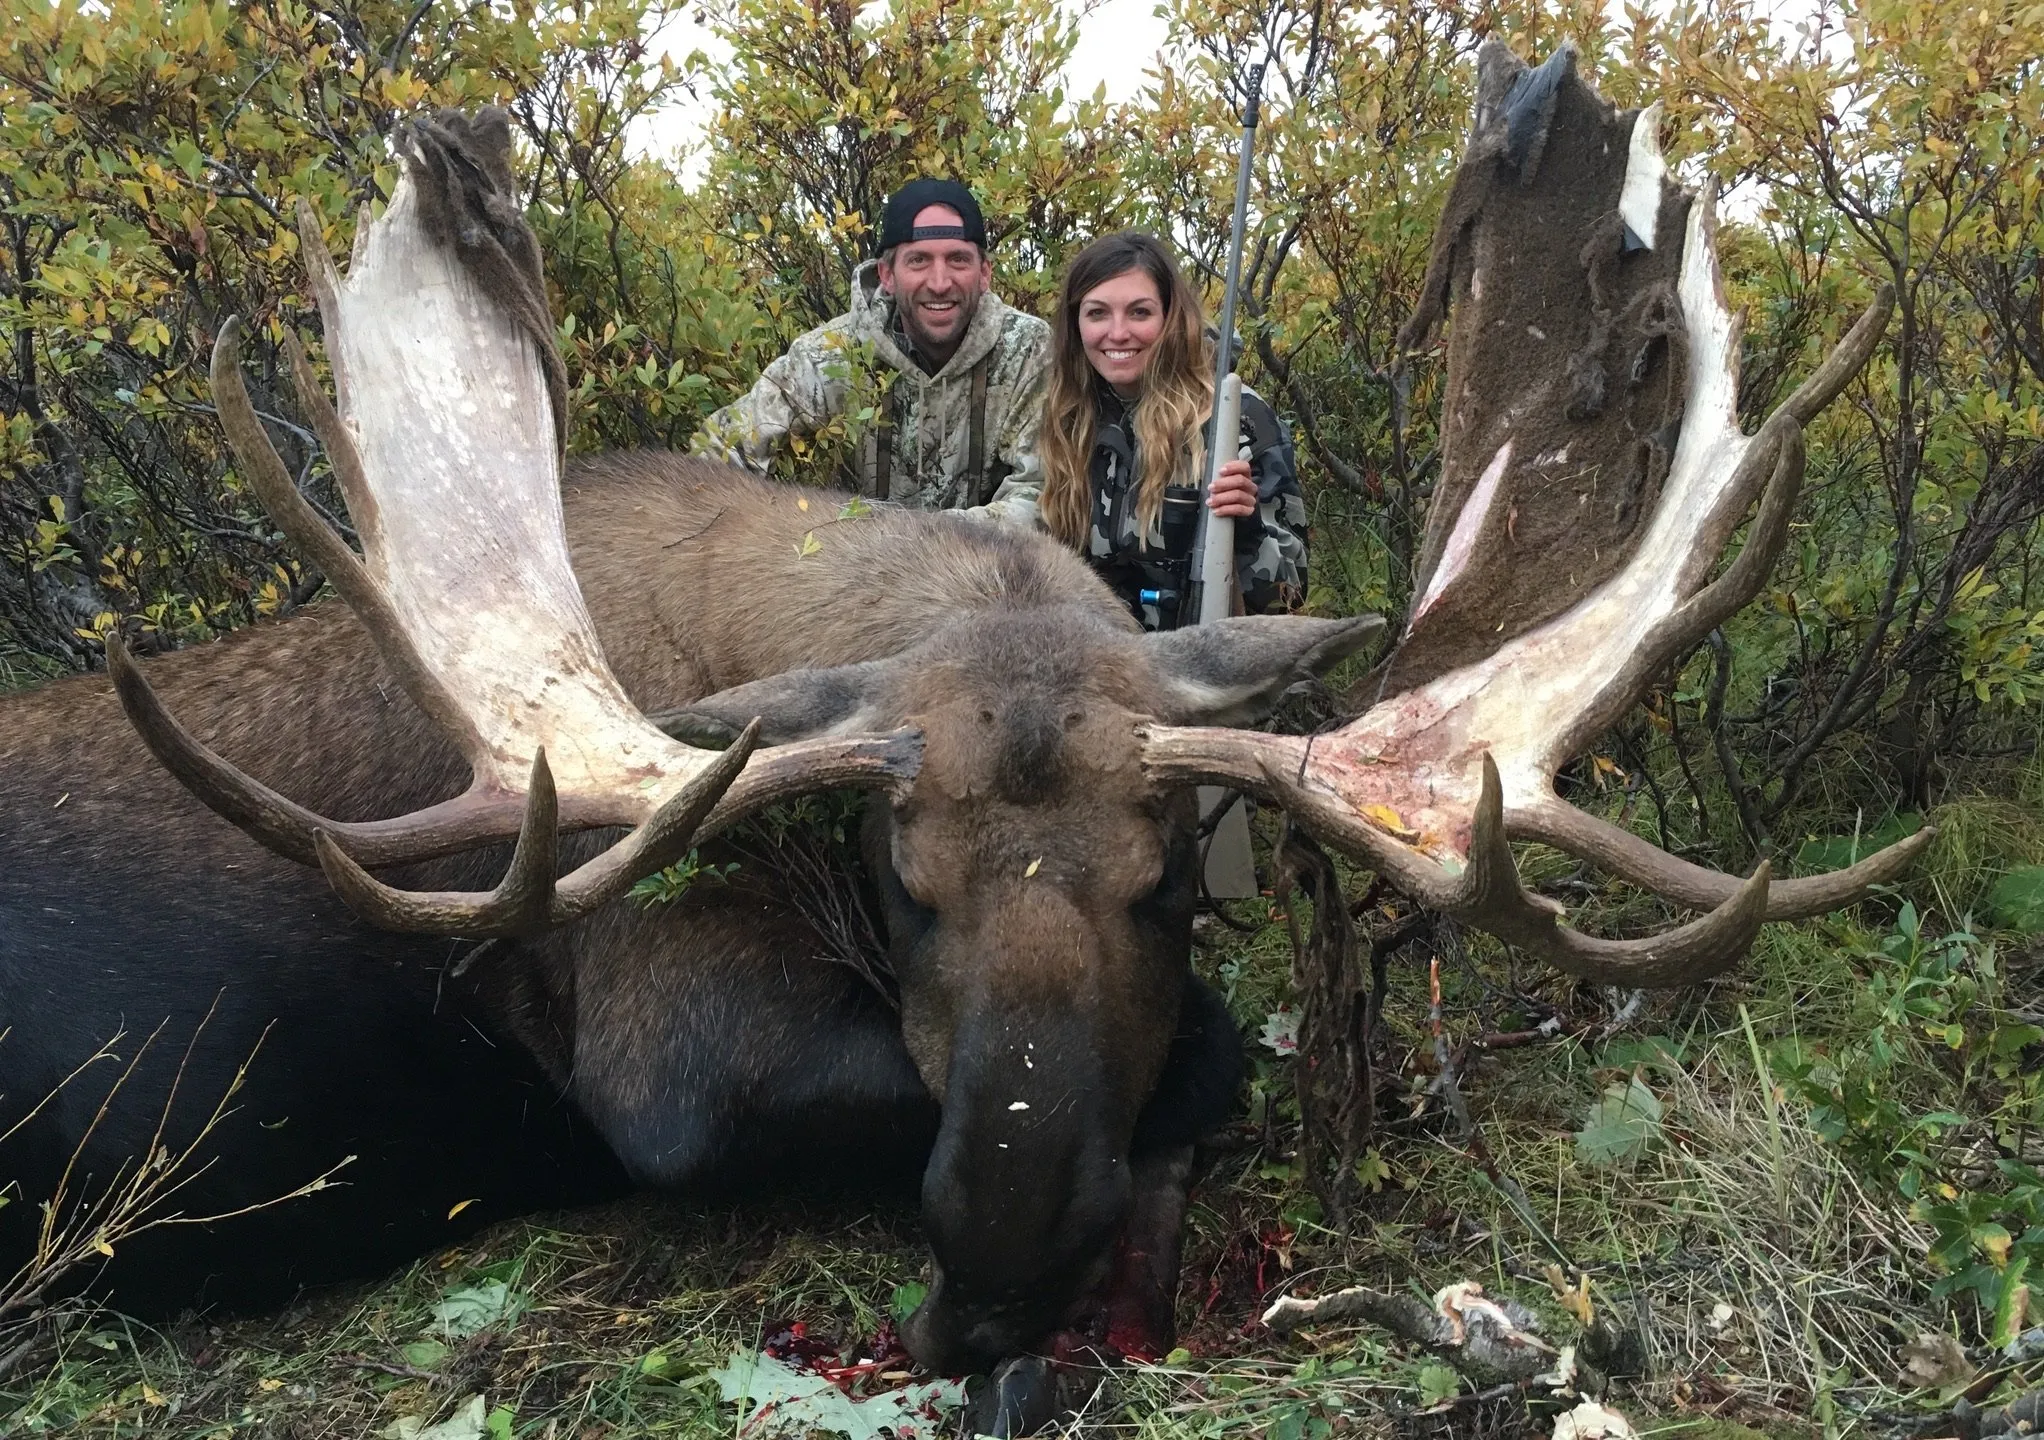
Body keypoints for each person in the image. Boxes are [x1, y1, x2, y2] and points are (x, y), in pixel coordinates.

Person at [692, 179, 1047, 519]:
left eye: (958, 259)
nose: (940, 283)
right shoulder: (830, 355)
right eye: (919, 260)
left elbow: (1041, 494)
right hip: (853, 558)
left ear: (984, 273)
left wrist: (930, 539)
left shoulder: (1028, 351)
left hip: (983, 560)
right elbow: (717, 455)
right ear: (887, 275)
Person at [1032, 231, 1309, 630]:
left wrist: (1246, 529)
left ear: (1169, 318)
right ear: (1076, 325)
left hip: (1196, 654)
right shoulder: (1065, 416)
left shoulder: (1237, 420)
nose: (1118, 332)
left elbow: (1290, 598)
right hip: (1091, 651)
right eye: (1097, 313)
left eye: (1139, 312)